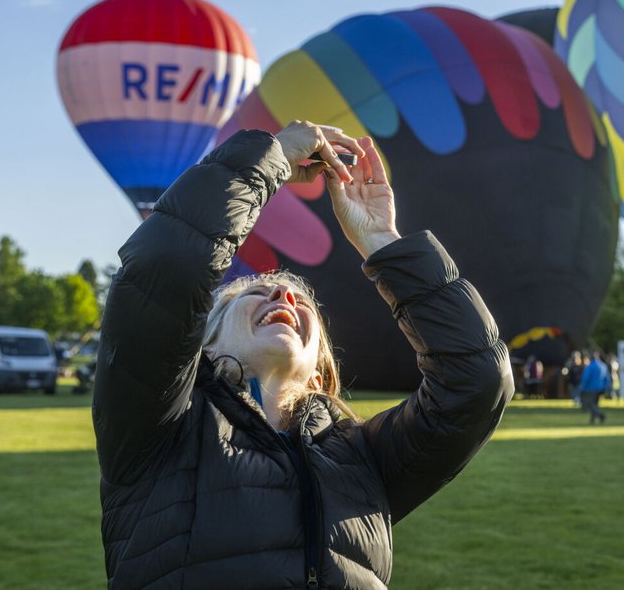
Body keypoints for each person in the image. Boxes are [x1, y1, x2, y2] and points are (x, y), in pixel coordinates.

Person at [92, 122, 514, 589]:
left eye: (302, 303)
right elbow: (167, 267)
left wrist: (382, 243)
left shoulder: (362, 459)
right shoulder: (161, 425)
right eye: (251, 293)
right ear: (202, 344)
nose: (283, 296)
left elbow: (477, 380)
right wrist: (268, 159)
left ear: (320, 371)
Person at [578, 351, 610, 424]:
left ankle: (601, 415)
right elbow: (607, 378)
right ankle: (592, 420)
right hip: (601, 388)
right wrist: (606, 387)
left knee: (590, 404)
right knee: (595, 404)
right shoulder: (603, 365)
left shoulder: (590, 366)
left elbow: (586, 378)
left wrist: (582, 387)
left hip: (591, 388)